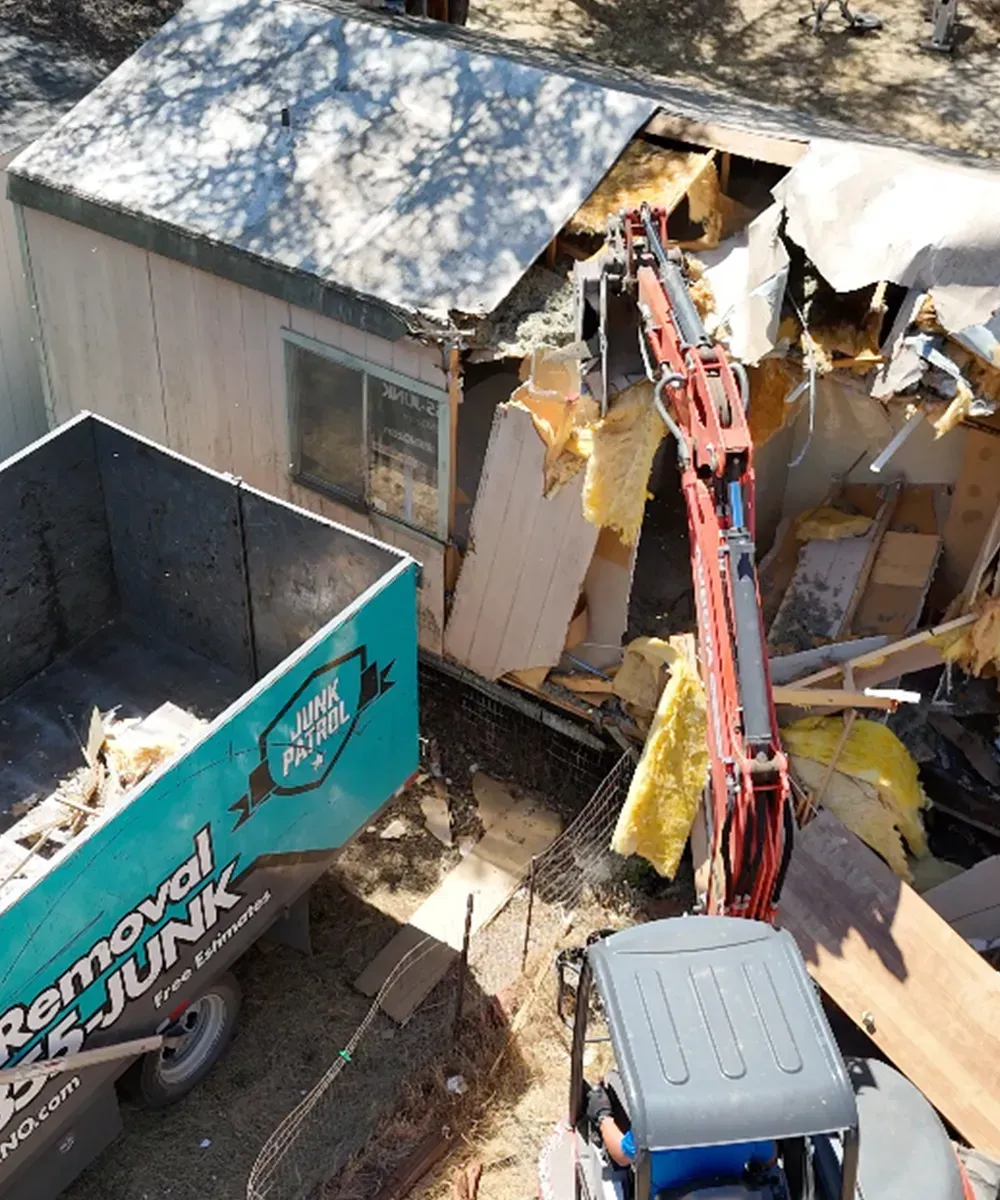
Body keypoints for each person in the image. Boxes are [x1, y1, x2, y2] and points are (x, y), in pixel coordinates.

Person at [586, 1082, 777, 1195]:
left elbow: (620, 1155)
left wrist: (603, 1116)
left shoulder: (656, 1119)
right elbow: (769, 1158)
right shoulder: (744, 1121)